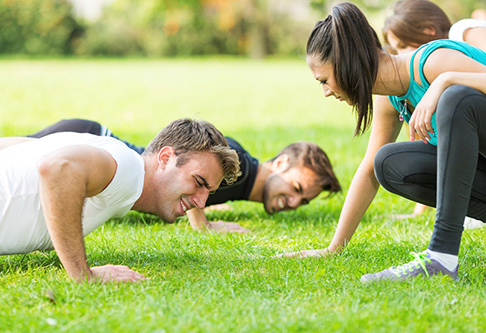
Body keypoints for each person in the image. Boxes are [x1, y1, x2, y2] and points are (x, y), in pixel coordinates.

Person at [282, 2, 486, 282]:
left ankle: (442, 256)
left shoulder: (433, 61)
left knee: (456, 97)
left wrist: (444, 81)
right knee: (388, 163)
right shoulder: (391, 98)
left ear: (346, 63)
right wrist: (333, 248)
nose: (326, 92)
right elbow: (368, 172)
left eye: (325, 80)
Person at [0, 118, 240, 283]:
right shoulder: (128, 169)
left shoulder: (108, 151)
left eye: (209, 192)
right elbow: (57, 167)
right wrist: (83, 274)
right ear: (165, 158)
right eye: (198, 182)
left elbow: (17, 147)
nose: (201, 201)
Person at [28, 119, 342, 233]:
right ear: (282, 162)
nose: (294, 201)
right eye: (297, 187)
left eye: (303, 202)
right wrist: (203, 224)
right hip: (90, 140)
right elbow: (207, 150)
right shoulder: (242, 164)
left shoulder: (243, 183)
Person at [382, 0, 486, 228]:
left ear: (428, 31)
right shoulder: (416, 85)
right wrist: (420, 209)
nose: (400, 55)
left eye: (402, 45)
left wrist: (446, 78)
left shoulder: (463, 32)